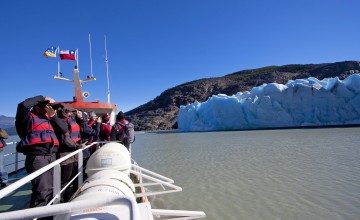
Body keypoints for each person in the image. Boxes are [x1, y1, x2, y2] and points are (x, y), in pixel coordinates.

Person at [15, 95, 67, 213]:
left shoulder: (50, 119)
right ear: (38, 106)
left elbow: (64, 129)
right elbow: (22, 106)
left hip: (52, 156)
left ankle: (50, 213)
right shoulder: (27, 118)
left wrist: (53, 116)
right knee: (41, 191)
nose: (49, 108)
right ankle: (39, 215)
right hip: (38, 157)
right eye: (46, 106)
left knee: (53, 188)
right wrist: (43, 98)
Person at [56, 104, 86, 202]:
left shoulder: (71, 121)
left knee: (74, 177)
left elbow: (81, 132)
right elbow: (66, 140)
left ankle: (71, 197)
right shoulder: (61, 123)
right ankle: (61, 201)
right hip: (66, 154)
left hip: (73, 154)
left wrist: (80, 120)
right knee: (65, 180)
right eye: (70, 112)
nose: (72, 113)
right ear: (65, 112)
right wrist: (78, 146)